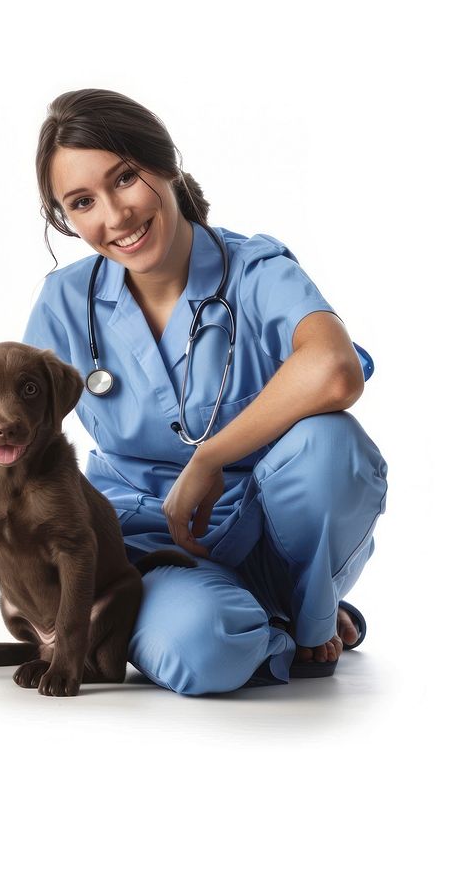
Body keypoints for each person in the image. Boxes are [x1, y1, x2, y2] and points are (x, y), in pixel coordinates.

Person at [23, 88, 388, 696]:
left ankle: (306, 610)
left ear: (165, 164)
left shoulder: (256, 271)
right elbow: (25, 456)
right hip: (145, 543)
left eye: (126, 178)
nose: (114, 217)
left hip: (277, 529)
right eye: (83, 202)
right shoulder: (65, 303)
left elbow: (334, 370)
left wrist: (210, 455)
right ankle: (281, 624)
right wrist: (46, 600)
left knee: (331, 446)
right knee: (203, 648)